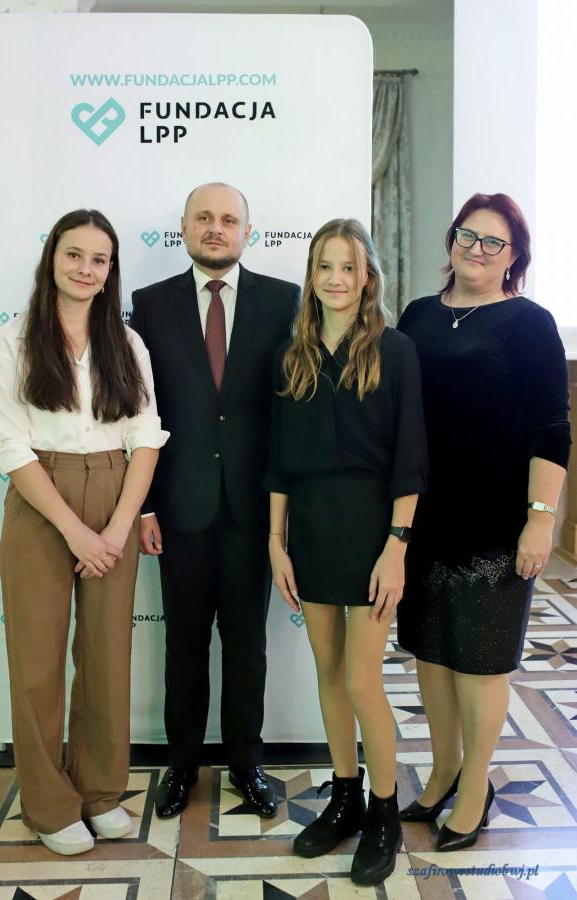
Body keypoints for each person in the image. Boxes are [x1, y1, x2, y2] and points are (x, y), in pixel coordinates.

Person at [0, 209, 168, 856]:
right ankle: (48, 804)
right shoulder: (11, 342)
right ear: (52, 259)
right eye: (74, 255)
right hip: (41, 499)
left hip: (116, 493)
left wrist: (116, 527)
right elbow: (10, 447)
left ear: (111, 270)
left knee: (107, 657)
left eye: (99, 259)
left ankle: (101, 791)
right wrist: (75, 532)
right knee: (36, 662)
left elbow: (146, 437)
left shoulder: (128, 343)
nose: (86, 269)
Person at [397, 193, 571, 851]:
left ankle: (475, 789)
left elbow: (552, 428)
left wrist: (540, 520)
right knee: (431, 652)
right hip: (424, 516)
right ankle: (443, 771)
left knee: (480, 662)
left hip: (495, 523)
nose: (476, 248)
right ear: (452, 239)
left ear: (514, 256)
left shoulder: (529, 322)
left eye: (494, 241)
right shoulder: (418, 314)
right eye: (467, 235)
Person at [130, 182, 300, 820]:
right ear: (184, 227)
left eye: (229, 219)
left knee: (247, 646)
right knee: (184, 644)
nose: (216, 228)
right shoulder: (150, 305)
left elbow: (292, 408)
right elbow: (139, 410)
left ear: (247, 233)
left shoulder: (284, 300)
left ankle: (246, 764)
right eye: (204, 217)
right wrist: (146, 505)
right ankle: (181, 765)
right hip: (180, 508)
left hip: (254, 510)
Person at [267, 218, 427, 886]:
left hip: (370, 532)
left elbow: (411, 458)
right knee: (328, 671)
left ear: (368, 278)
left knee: (363, 679)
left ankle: (385, 811)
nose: (335, 279)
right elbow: (278, 461)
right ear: (312, 276)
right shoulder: (292, 355)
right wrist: (276, 542)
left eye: (348, 267)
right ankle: (346, 797)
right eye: (324, 266)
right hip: (309, 531)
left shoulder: (395, 350)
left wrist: (397, 547)